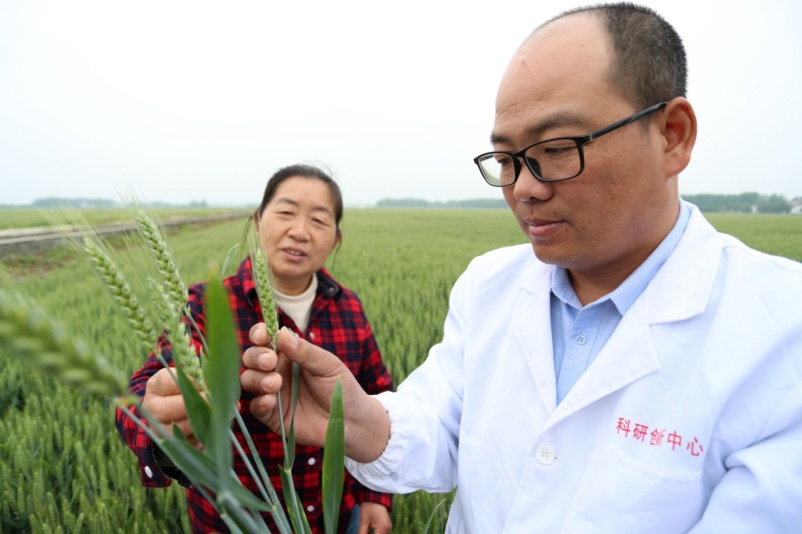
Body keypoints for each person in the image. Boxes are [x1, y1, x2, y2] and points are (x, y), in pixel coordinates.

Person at [240, 4, 802, 533]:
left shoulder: (783, 335)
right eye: (506, 159)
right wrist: (355, 420)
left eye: (556, 148)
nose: (525, 189)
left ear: (671, 135)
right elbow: (441, 426)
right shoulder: (489, 285)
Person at [115, 164, 394, 534]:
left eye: (319, 220)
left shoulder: (349, 307)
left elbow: (379, 396)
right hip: (236, 522)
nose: (300, 231)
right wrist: (158, 422)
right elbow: (141, 392)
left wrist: (376, 494)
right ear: (258, 221)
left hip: (339, 516)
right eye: (286, 212)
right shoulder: (207, 305)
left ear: (336, 239)